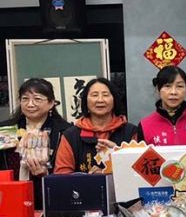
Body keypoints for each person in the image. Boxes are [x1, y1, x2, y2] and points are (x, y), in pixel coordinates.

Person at [0, 78, 70, 206]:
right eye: (25, 99)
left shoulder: (65, 132)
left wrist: (46, 173)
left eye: (37, 99)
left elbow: (68, 171)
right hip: (10, 197)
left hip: (50, 198)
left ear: (51, 103)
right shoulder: (5, 129)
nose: (30, 104)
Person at [54, 78, 137, 174]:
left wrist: (118, 154)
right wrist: (92, 179)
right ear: (85, 100)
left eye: (105, 95)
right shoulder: (71, 136)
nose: (100, 100)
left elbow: (139, 172)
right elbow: (62, 175)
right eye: (94, 95)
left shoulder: (131, 132)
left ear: (114, 99)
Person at [137, 66, 186, 146]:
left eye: (179, 86)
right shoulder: (145, 126)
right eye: (167, 86)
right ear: (158, 89)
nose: (173, 92)